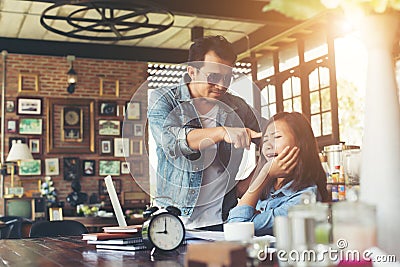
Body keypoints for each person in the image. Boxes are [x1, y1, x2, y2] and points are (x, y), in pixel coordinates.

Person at [147, 35, 262, 230]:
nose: (221, 85)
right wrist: (221, 132)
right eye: (214, 76)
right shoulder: (164, 99)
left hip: (225, 219)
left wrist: (250, 183)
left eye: (228, 77)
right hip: (175, 222)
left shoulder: (238, 107)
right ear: (192, 71)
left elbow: (269, 142)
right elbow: (172, 140)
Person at [227, 112, 329, 236]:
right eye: (265, 140)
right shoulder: (268, 189)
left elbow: (237, 228)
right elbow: (232, 224)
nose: (268, 146)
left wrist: (265, 174)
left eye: (277, 137)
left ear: (301, 142)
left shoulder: (304, 198)